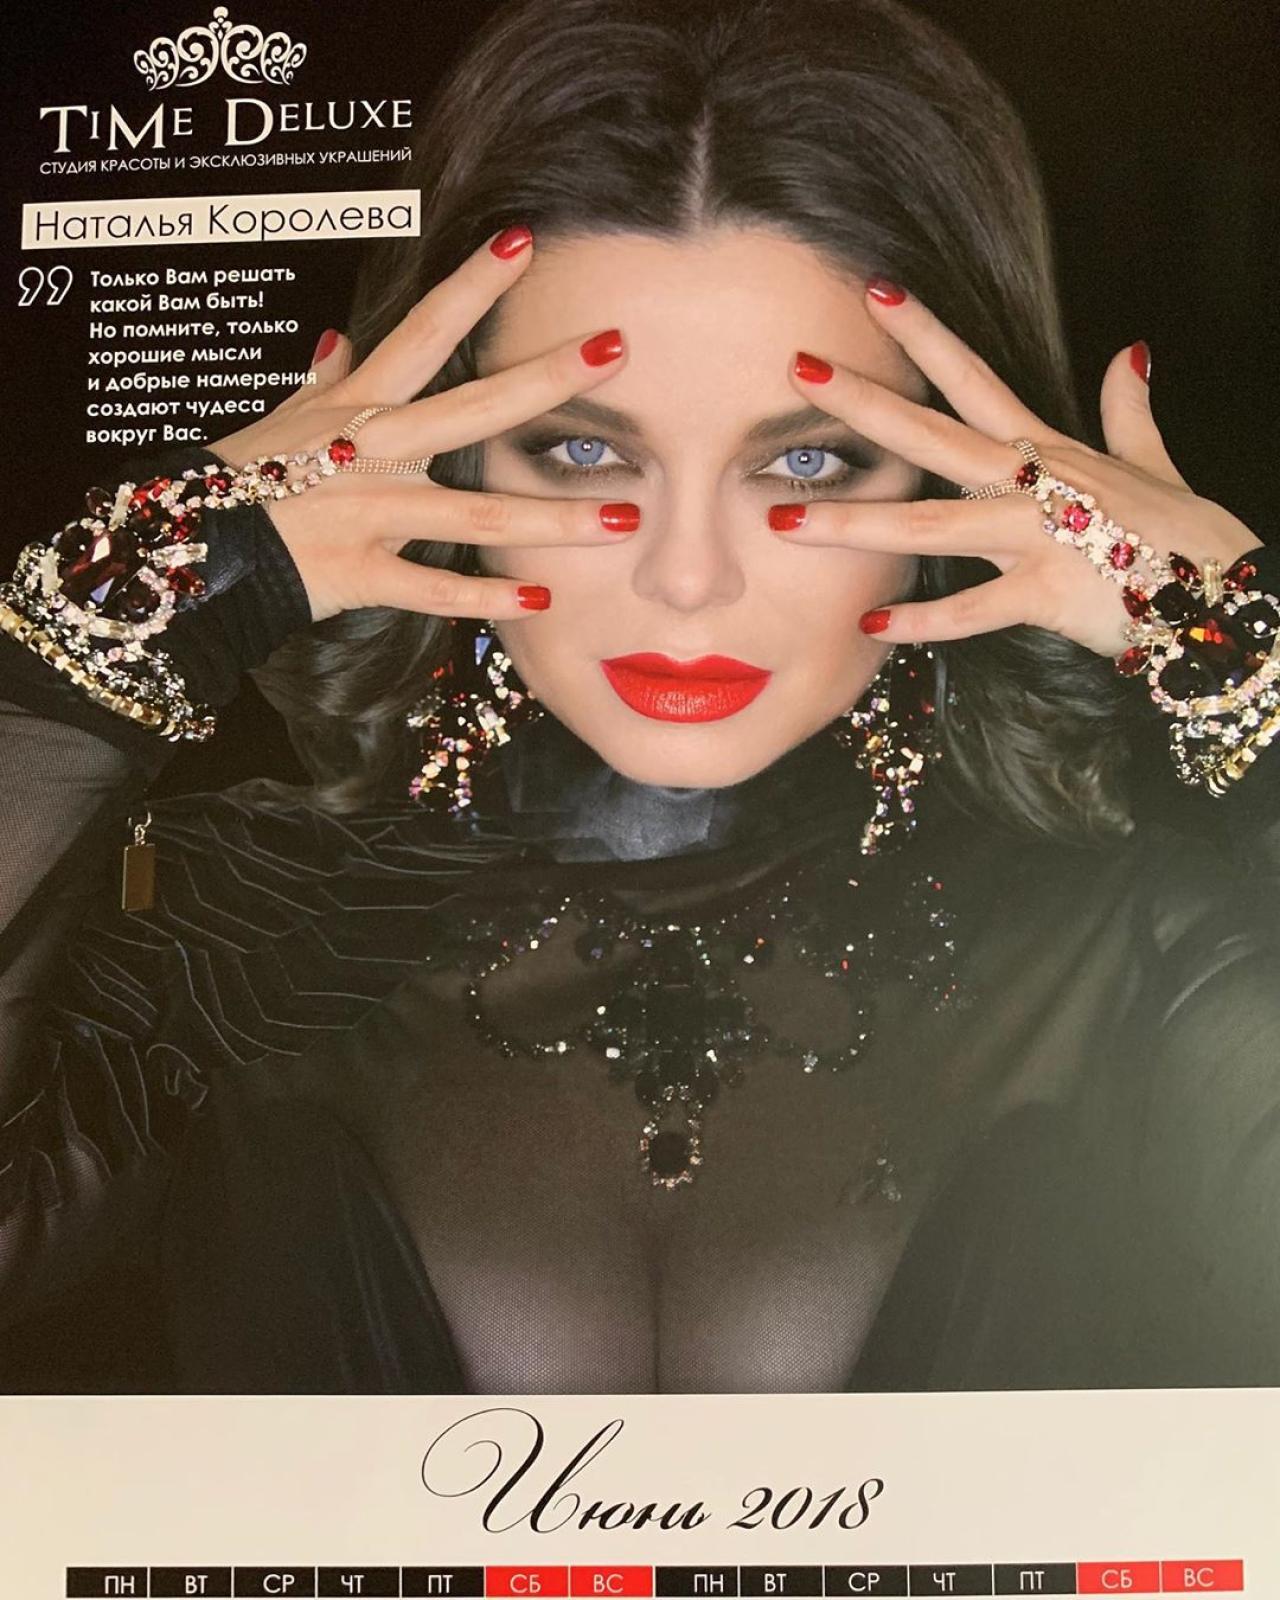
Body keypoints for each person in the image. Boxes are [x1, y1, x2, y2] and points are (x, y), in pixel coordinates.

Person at [1, 0, 1278, 1395]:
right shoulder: (216, 941)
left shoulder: (1144, 951)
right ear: (443, 458)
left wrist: (1249, 653)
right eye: (581, 450)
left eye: (807, 462)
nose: (686, 579)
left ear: (958, 474)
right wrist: (145, 601)